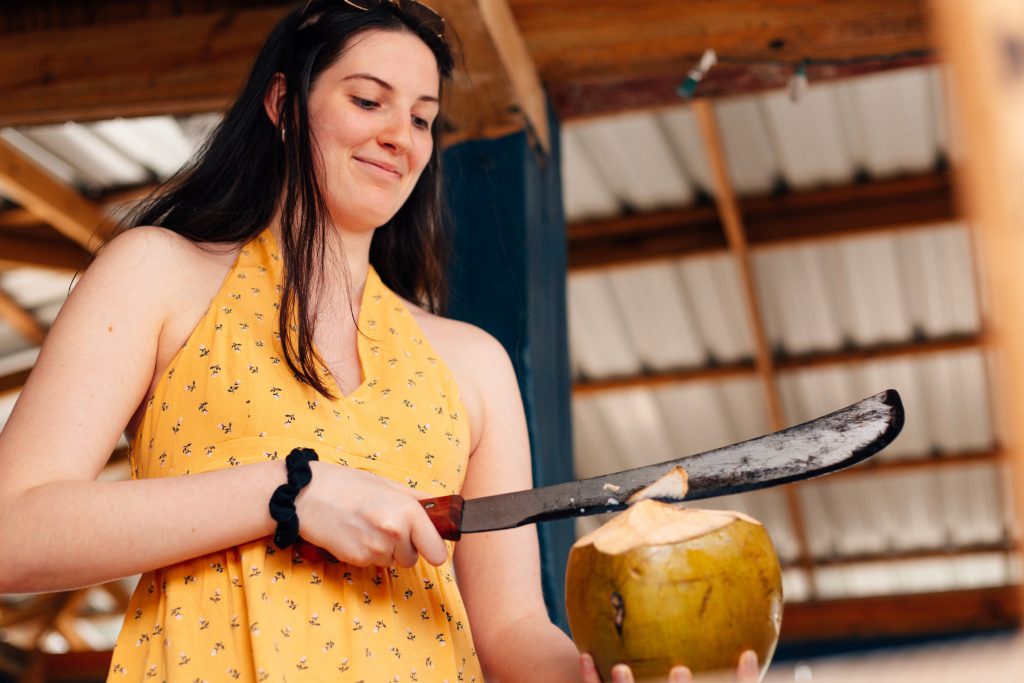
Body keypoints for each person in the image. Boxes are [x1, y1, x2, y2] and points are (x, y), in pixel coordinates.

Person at [0, 2, 760, 681]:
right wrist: (290, 492)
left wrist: (598, 678)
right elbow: (13, 531)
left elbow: (511, 631)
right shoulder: (158, 274)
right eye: (368, 100)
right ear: (285, 104)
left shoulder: (472, 362)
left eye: (424, 117)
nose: (400, 136)